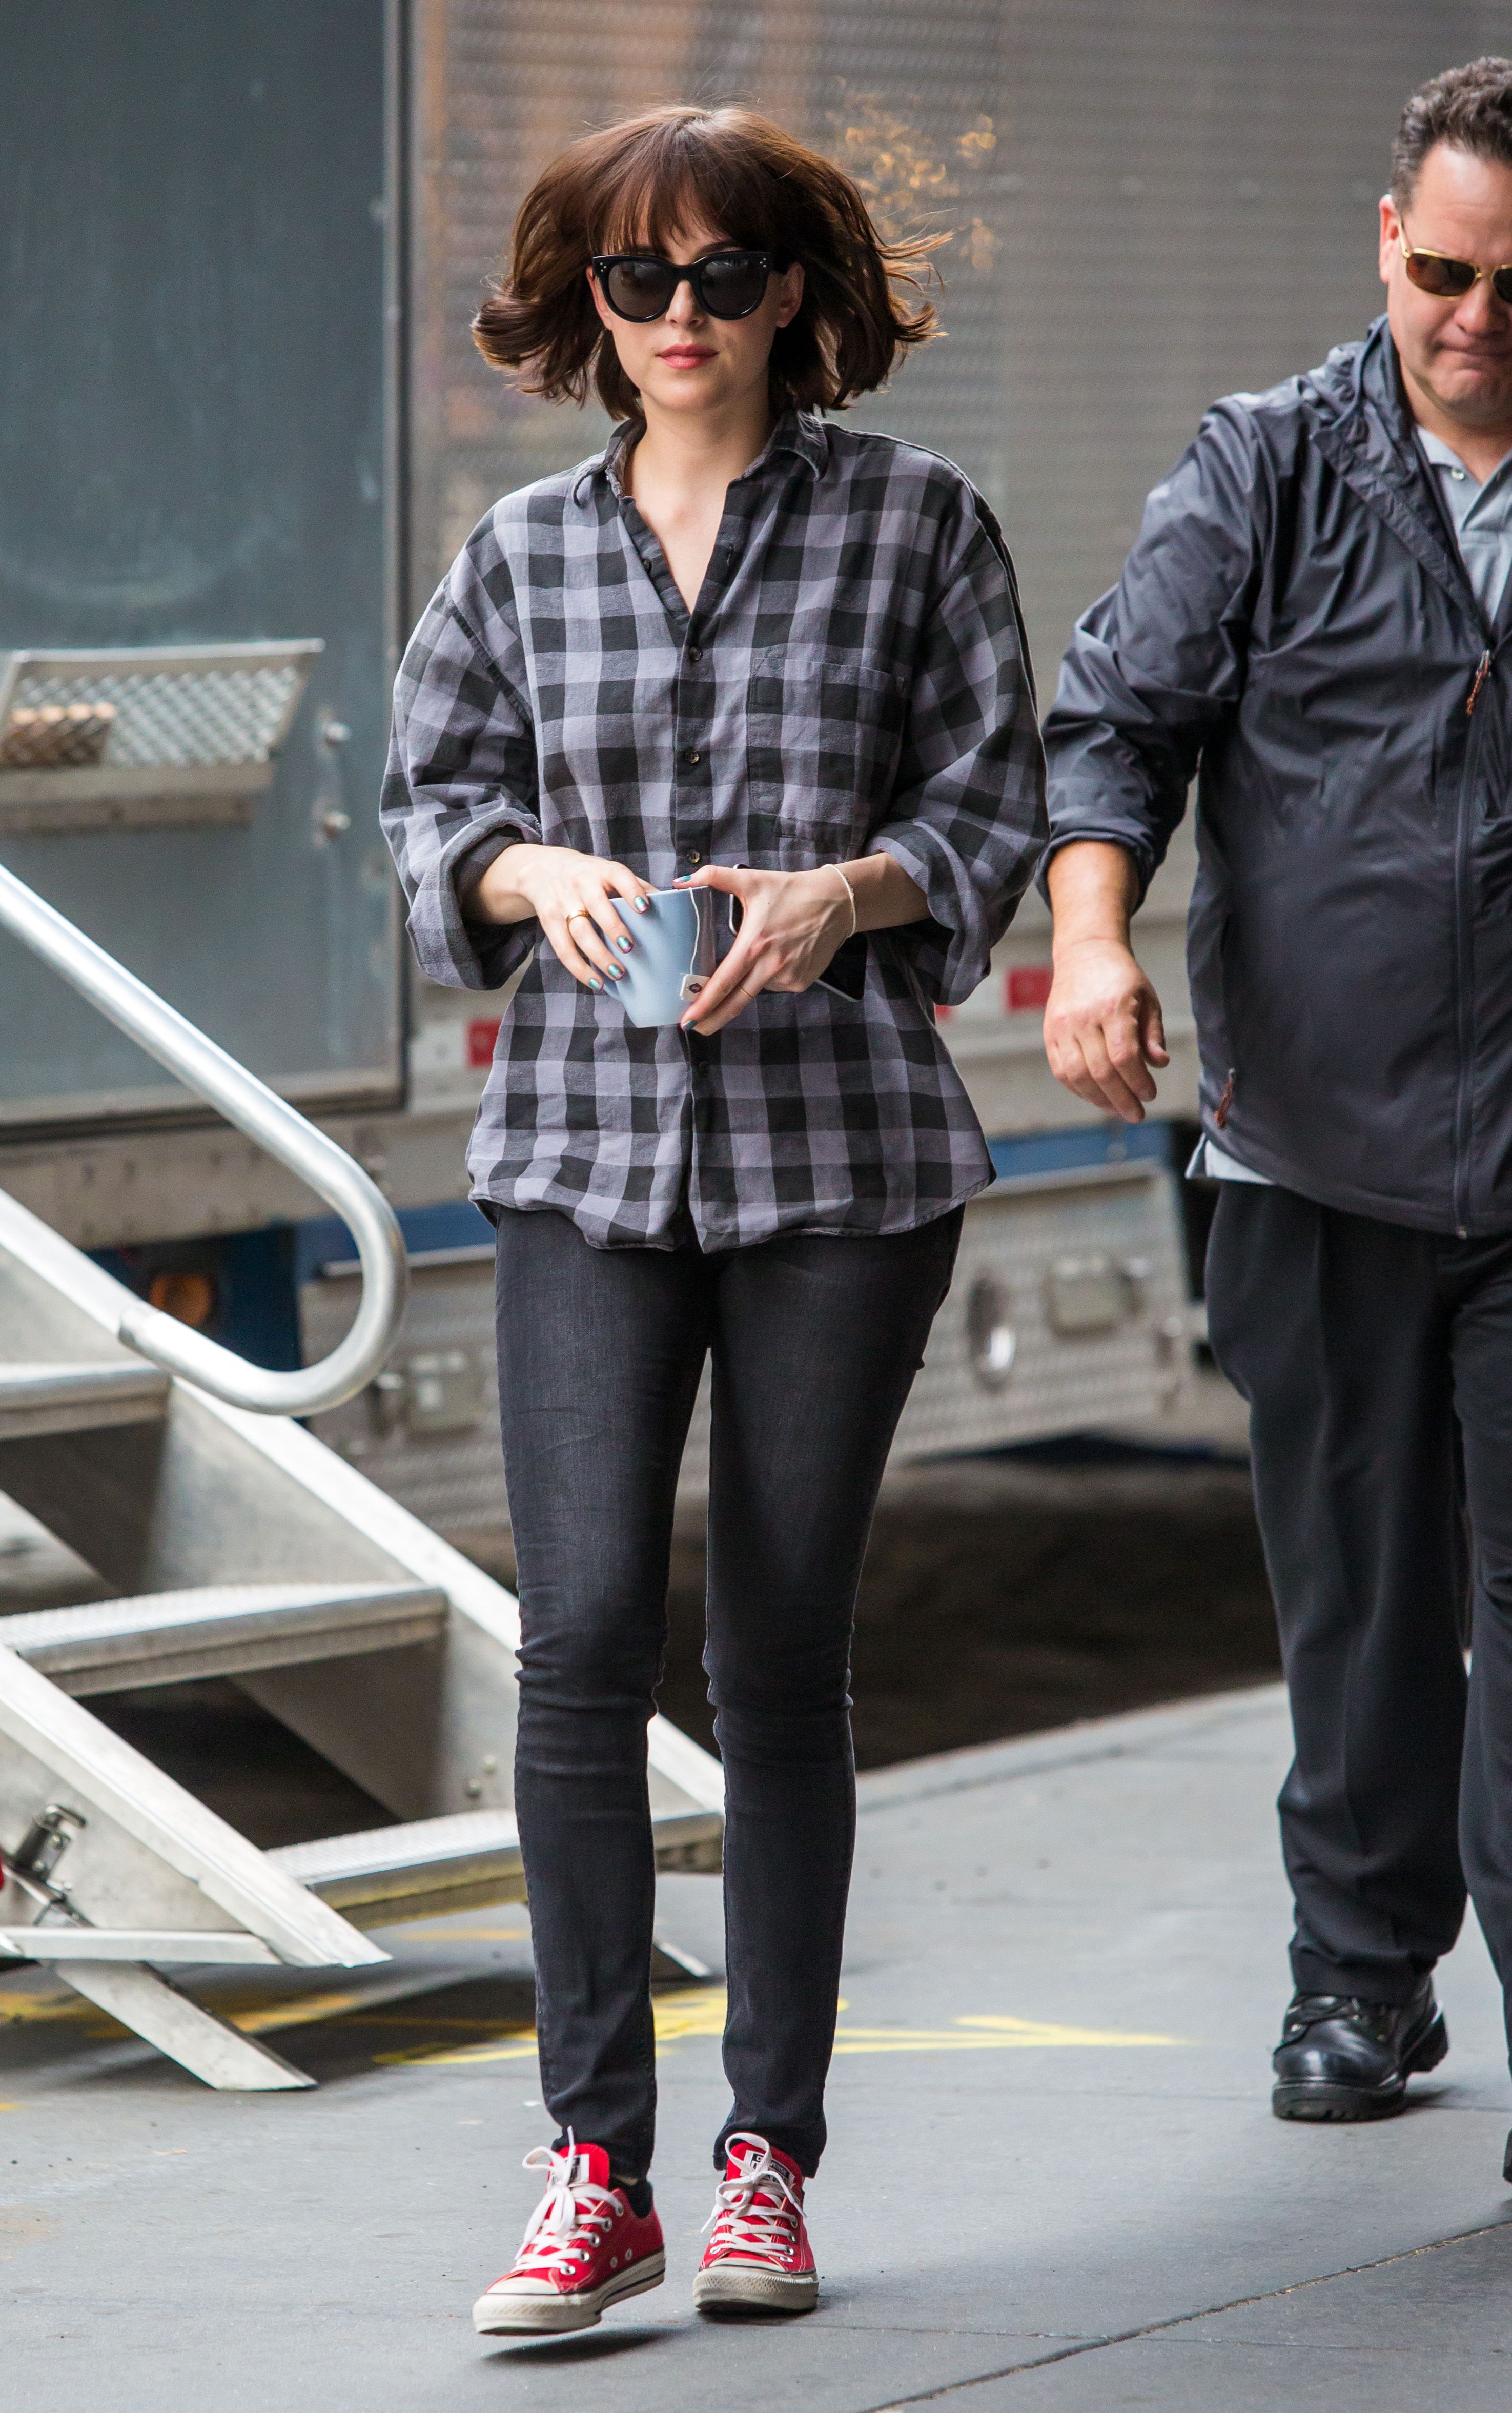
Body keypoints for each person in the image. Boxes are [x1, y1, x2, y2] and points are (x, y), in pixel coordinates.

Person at [382, 104, 1046, 2331]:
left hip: (837, 1168)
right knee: (575, 1639)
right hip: (581, 1155)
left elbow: (992, 801)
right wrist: (523, 870)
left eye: (725, 273)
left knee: (774, 1651)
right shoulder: (514, 555)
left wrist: (848, 889)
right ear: (586, 300)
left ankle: (767, 2158)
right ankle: (596, 2166)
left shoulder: (914, 521)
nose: (681, 314)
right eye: (637, 276)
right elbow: (427, 809)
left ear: (794, 293)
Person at [1041, 57, 1512, 2158]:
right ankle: (1359, 1970)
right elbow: (1111, 727)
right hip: (1309, 1146)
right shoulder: (1265, 465)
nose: (1474, 320)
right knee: (1359, 1601)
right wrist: (1087, 943)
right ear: (1384, 243)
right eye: (1443, 273)